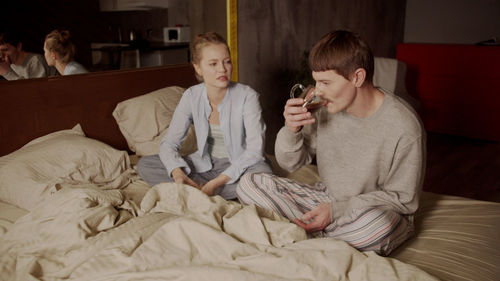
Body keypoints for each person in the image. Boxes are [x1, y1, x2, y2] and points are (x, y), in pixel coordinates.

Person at [236, 30, 426, 255]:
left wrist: (336, 211)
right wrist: (291, 129)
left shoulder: (405, 126)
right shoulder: (324, 107)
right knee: (248, 184)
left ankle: (302, 236)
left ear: (357, 77)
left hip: (374, 211)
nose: (318, 91)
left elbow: (403, 201)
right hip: (326, 198)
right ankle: (323, 240)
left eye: (326, 82)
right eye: (316, 82)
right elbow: (290, 164)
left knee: (376, 229)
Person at [137, 31, 272, 200]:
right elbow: (169, 144)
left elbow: (254, 151)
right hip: (206, 165)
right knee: (146, 164)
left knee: (263, 177)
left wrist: (215, 184)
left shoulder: (247, 96)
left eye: (227, 62)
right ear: (198, 68)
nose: (222, 69)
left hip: (243, 165)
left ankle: (201, 193)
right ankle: (217, 193)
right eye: (213, 64)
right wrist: (177, 173)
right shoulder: (191, 96)